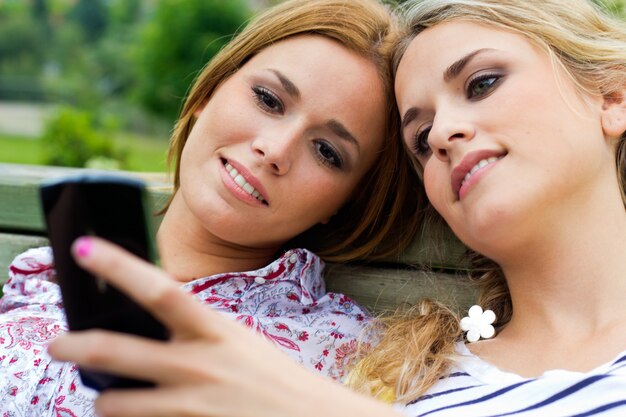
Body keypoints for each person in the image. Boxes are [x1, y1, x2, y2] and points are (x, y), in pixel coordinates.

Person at [48, 0, 626, 416]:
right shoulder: (416, 379)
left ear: (613, 94)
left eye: (481, 83)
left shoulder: (328, 363)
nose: (445, 132)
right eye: (419, 139)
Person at [0, 0, 421, 415]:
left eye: (327, 152)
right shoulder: (43, 277)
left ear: (346, 202)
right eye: (268, 99)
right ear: (208, 91)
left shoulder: (338, 351)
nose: (274, 150)